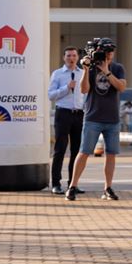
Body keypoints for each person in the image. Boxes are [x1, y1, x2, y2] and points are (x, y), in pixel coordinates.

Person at [66, 38, 127, 202]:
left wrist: (107, 71)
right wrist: (86, 70)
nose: (108, 55)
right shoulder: (91, 68)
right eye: (106, 52)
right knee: (84, 152)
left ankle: (107, 188)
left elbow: (121, 87)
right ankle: (72, 186)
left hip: (112, 118)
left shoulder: (117, 68)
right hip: (93, 117)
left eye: (111, 52)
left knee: (111, 154)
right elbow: (84, 89)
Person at [48, 46, 85, 195]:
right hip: (63, 114)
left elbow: (86, 94)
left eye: (74, 56)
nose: (71, 58)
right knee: (60, 150)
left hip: (79, 114)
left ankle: (73, 184)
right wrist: (66, 88)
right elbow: (51, 95)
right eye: (68, 55)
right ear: (64, 58)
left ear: (77, 58)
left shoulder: (82, 73)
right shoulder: (57, 74)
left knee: (77, 151)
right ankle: (56, 183)